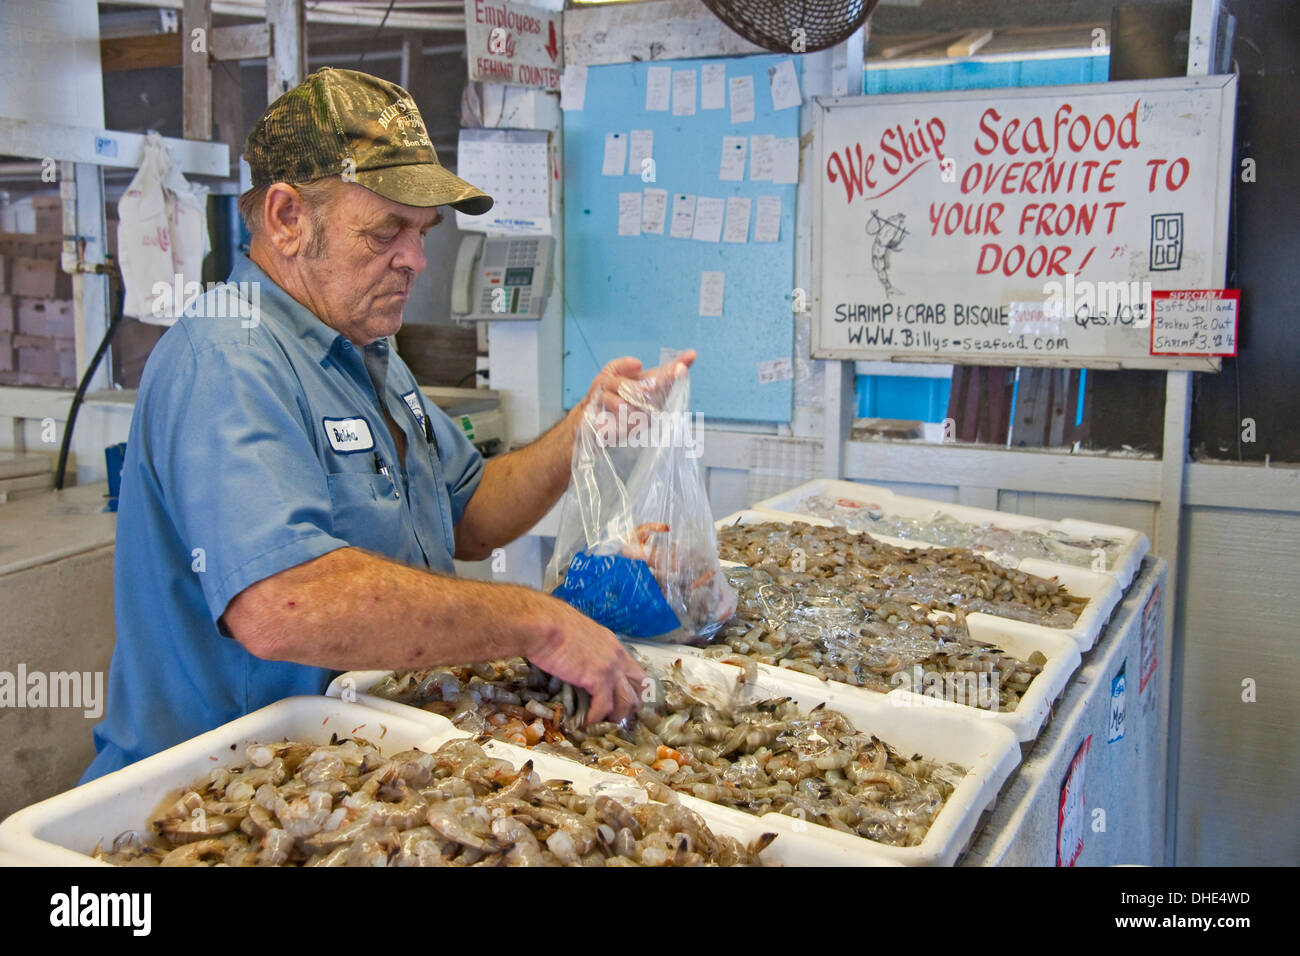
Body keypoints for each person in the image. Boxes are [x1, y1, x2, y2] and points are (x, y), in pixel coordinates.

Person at [82, 68, 694, 781]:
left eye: (422, 232)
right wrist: (540, 621)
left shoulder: (365, 349)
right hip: (216, 795)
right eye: (386, 232)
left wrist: (585, 427)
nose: (416, 259)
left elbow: (472, 514)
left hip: (350, 774)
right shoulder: (229, 359)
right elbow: (284, 603)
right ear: (286, 219)